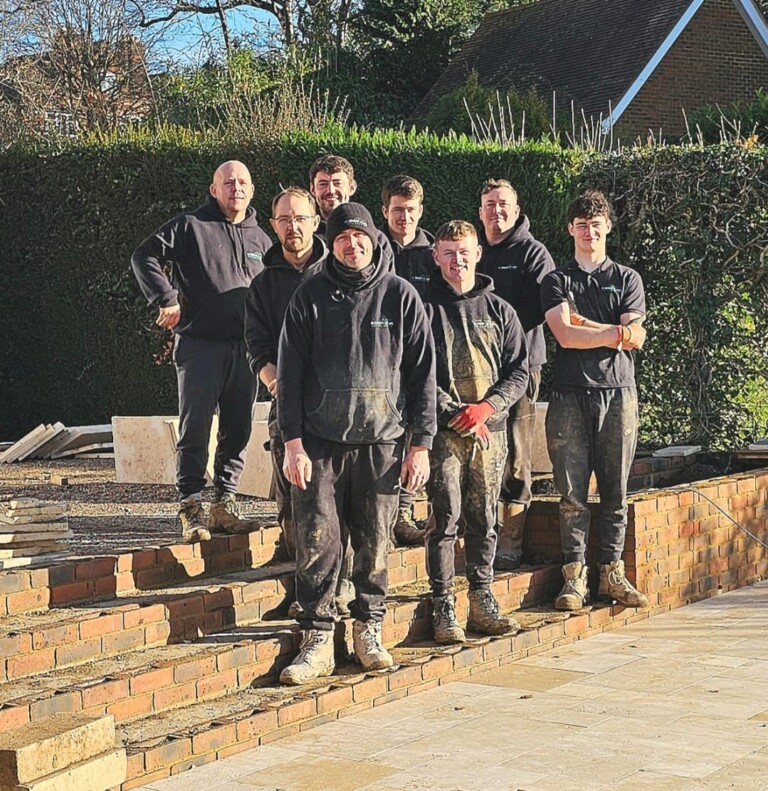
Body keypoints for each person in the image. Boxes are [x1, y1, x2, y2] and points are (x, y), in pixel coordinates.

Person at [277, 203, 436, 685]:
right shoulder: (308, 297)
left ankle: (369, 630)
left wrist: (421, 444)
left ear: (373, 239)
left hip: (382, 444)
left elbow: (423, 376)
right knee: (318, 542)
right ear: (331, 244)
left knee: (375, 544)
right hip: (319, 445)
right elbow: (289, 376)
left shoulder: (401, 296)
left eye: (359, 236)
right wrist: (292, 443)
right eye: (342, 238)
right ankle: (318, 639)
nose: (352, 245)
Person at [131, 160, 271, 542]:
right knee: (195, 428)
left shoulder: (262, 239)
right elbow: (143, 256)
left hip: (246, 349)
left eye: (242, 182)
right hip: (200, 345)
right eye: (228, 183)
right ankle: (191, 505)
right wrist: (166, 298)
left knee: (238, 429)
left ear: (252, 190)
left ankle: (225, 503)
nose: (236, 188)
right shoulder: (189, 226)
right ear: (214, 190)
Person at [541, 189, 649, 611]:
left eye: (596, 224)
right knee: (571, 494)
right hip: (569, 394)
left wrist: (588, 324)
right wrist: (616, 332)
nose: (589, 232)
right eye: (582, 225)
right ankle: (574, 578)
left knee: (615, 491)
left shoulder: (627, 278)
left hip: (618, 394)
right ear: (571, 229)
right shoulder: (556, 280)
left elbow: (637, 339)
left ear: (608, 227)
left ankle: (611, 573)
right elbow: (565, 336)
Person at [424, 221, 529, 643]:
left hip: (490, 433)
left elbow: (519, 371)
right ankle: (443, 604)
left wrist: (486, 408)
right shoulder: (423, 309)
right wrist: (456, 414)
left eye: (464, 251)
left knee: (484, 518)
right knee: (445, 518)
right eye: (449, 253)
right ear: (436, 256)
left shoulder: (500, 310)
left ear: (478, 253)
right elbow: (414, 372)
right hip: (443, 435)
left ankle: (482, 598)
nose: (457, 260)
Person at [244, 187, 328, 560]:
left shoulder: (336, 274)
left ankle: (335, 579)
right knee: (291, 495)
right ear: (273, 225)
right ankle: (296, 572)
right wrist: (273, 380)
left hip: (333, 402)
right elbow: (256, 345)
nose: (293, 226)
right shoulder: (263, 285)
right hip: (287, 402)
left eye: (300, 218)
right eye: (284, 219)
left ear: (315, 221)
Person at [477, 179, 555, 570]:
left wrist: (497, 336)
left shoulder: (532, 253)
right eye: (490, 205)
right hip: (476, 369)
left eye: (503, 203)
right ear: (481, 212)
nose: (497, 211)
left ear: (516, 208)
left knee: (517, 454)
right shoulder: (473, 251)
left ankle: (511, 540)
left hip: (520, 367)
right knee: (482, 450)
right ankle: (482, 533)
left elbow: (538, 307)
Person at [381, 174, 438, 547]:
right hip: (381, 360)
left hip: (419, 360)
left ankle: (403, 513)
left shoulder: (432, 255)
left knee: (417, 435)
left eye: (411, 210)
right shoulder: (372, 248)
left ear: (420, 211)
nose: (404, 217)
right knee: (386, 441)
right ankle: (386, 518)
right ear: (385, 211)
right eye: (398, 209)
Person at [308, 154, 394, 269]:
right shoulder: (307, 238)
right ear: (312, 189)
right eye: (323, 184)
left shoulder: (376, 239)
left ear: (352, 187)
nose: (331, 190)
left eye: (338, 183)